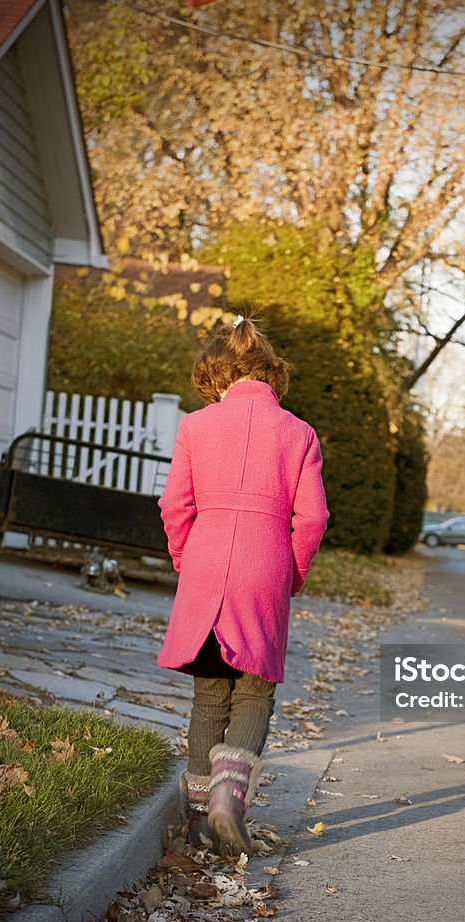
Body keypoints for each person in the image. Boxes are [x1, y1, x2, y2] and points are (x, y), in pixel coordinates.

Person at [157, 314, 329, 856]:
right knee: (254, 686)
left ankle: (199, 817)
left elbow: (174, 505)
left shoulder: (196, 427)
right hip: (265, 565)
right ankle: (231, 794)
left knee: (209, 691)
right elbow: (314, 517)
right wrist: (292, 572)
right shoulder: (299, 434)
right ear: (271, 375)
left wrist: (186, 557)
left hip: (206, 560)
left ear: (216, 378)